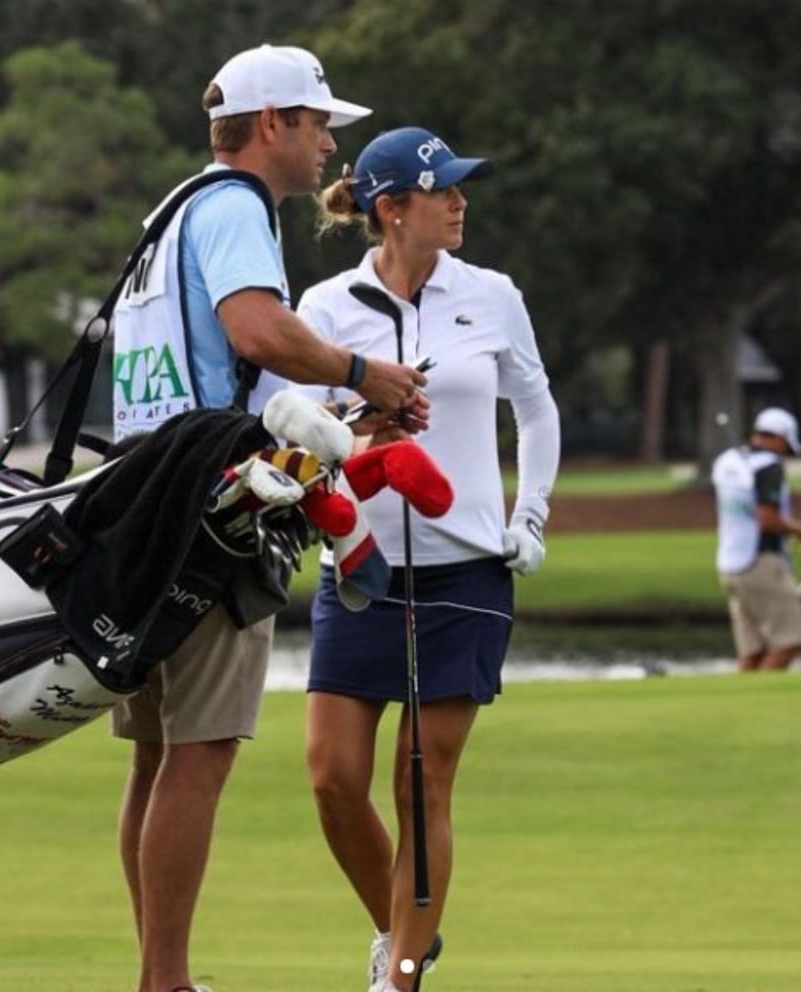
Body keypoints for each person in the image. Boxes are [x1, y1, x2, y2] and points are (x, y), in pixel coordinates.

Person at [111, 44, 427, 992]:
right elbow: (255, 331)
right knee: (198, 752)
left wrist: (336, 423)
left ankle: (158, 975)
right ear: (273, 124)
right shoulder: (237, 209)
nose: (330, 140)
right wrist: (362, 372)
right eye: (320, 120)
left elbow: (224, 371)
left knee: (158, 754)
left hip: (140, 489)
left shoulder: (170, 212)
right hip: (205, 505)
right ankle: (166, 983)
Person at [296, 125, 560, 992]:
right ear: (389, 209)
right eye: (441, 189)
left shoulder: (493, 294)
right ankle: (405, 928)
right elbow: (296, 440)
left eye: (459, 187)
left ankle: (399, 977)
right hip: (360, 565)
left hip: (468, 571)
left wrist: (531, 513)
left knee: (424, 783)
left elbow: (537, 406)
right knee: (333, 778)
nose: (460, 201)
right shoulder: (326, 308)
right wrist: (359, 425)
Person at [712, 407, 801, 672]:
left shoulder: (727, 461)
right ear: (779, 437)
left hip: (729, 566)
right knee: (790, 641)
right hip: (760, 562)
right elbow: (767, 520)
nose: (785, 454)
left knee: (753, 652)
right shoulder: (768, 467)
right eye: (786, 446)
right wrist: (799, 529)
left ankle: (740, 706)